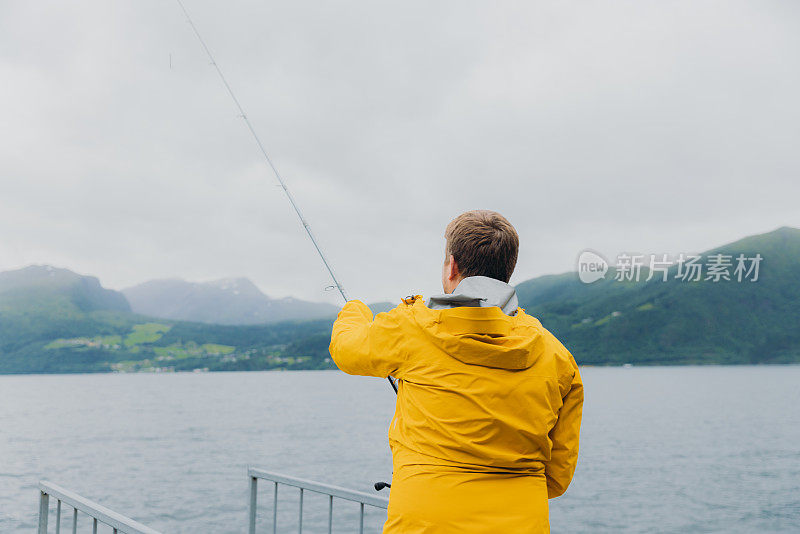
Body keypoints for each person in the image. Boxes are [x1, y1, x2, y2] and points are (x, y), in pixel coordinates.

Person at [329, 210, 583, 533]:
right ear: (507, 270)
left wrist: (355, 310)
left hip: (425, 523)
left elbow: (346, 349)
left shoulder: (412, 327)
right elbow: (558, 475)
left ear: (452, 266)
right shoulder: (556, 356)